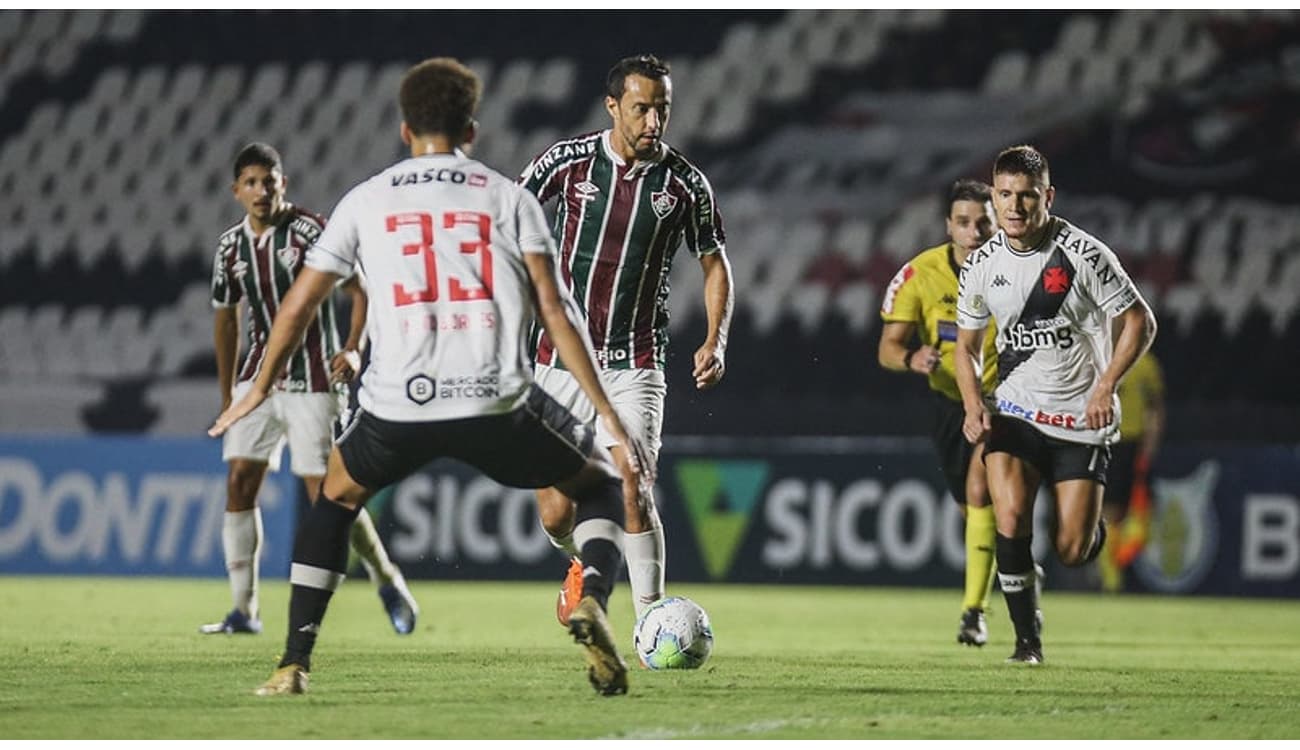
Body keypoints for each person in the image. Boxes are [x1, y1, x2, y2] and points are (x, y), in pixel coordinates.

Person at [210, 57, 650, 697]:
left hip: (398, 406)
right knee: (603, 485)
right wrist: (606, 414)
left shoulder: (366, 199)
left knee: (333, 500)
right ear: (471, 129)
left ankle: (292, 664)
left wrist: (256, 385)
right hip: (496, 401)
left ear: (403, 128)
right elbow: (556, 312)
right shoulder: (509, 198)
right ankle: (593, 603)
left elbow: (301, 302)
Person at [518, 53, 734, 629]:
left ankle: (649, 622)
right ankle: (579, 562)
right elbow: (509, 217)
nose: (653, 122)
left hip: (636, 361)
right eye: (641, 109)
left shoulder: (686, 184)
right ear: (613, 106)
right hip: (559, 361)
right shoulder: (567, 163)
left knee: (633, 480)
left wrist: (717, 338)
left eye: (662, 110)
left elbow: (715, 265)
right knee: (555, 509)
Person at [204, 142, 419, 637]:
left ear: (284, 183)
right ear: (236, 191)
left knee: (326, 495)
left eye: (269, 180)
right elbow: (226, 323)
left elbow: (359, 290)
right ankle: (244, 610)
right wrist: (227, 397)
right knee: (239, 482)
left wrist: (352, 348)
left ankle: (385, 576)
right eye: (251, 183)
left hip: (313, 379)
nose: (261, 190)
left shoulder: (309, 232)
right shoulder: (229, 249)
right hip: (256, 380)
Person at [954, 145, 1157, 664]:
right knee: (1011, 514)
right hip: (1016, 412)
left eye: (1026, 197)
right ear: (994, 198)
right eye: (1005, 196)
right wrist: (974, 403)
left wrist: (1106, 384)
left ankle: (1086, 535)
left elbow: (1140, 322)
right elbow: (968, 349)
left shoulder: (1085, 255)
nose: (1014, 207)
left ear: (1047, 196)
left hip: (1078, 422)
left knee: (1071, 549)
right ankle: (1027, 642)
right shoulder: (980, 266)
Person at [878, 179, 1002, 647]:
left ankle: (973, 613)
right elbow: (887, 348)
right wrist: (911, 358)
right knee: (971, 510)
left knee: (979, 488)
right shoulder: (920, 274)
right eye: (964, 223)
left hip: (1003, 402)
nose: (974, 232)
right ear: (949, 226)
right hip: (949, 403)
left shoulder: (1016, 270)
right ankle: (1012, 565)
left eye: (983, 223)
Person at [1098, 350, 1165, 591]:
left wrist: (1150, 445)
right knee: (1111, 511)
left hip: (1134, 445)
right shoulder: (1099, 357)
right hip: (1107, 441)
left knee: (1142, 513)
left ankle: (1116, 563)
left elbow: (1155, 408)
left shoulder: (1146, 363)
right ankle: (1111, 577)